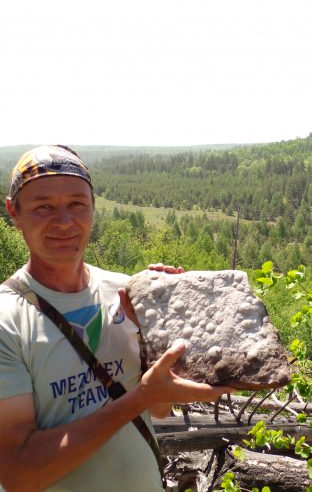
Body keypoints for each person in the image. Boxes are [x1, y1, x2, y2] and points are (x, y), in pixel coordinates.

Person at [0, 145, 233, 491]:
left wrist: (165, 332)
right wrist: (138, 399)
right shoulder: (7, 320)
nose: (63, 221)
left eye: (77, 204)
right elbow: (18, 474)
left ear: (93, 207)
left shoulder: (124, 291)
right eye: (43, 207)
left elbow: (159, 408)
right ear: (13, 212)